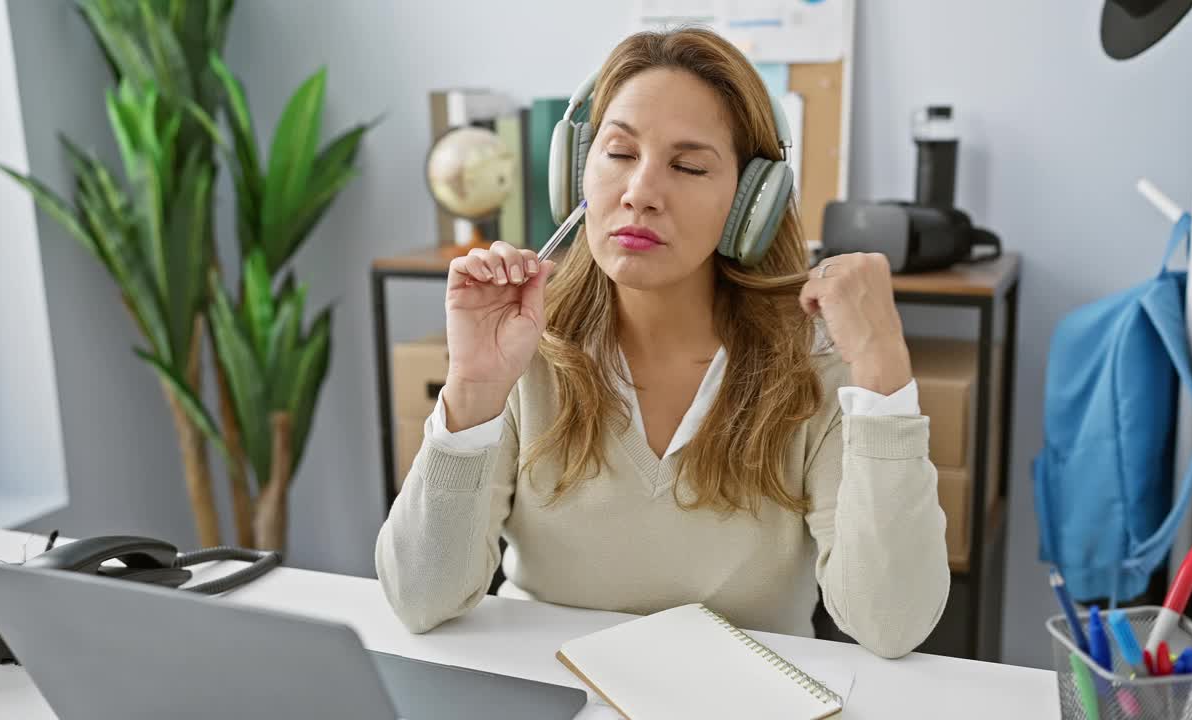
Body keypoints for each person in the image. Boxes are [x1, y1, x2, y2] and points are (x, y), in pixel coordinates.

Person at [376, 26, 949, 659]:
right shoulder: (524, 345)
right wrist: (474, 389)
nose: (641, 193)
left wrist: (884, 376)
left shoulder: (818, 362)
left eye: (688, 166)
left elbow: (892, 624)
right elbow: (418, 598)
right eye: (619, 153)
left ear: (751, 203)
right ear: (576, 174)